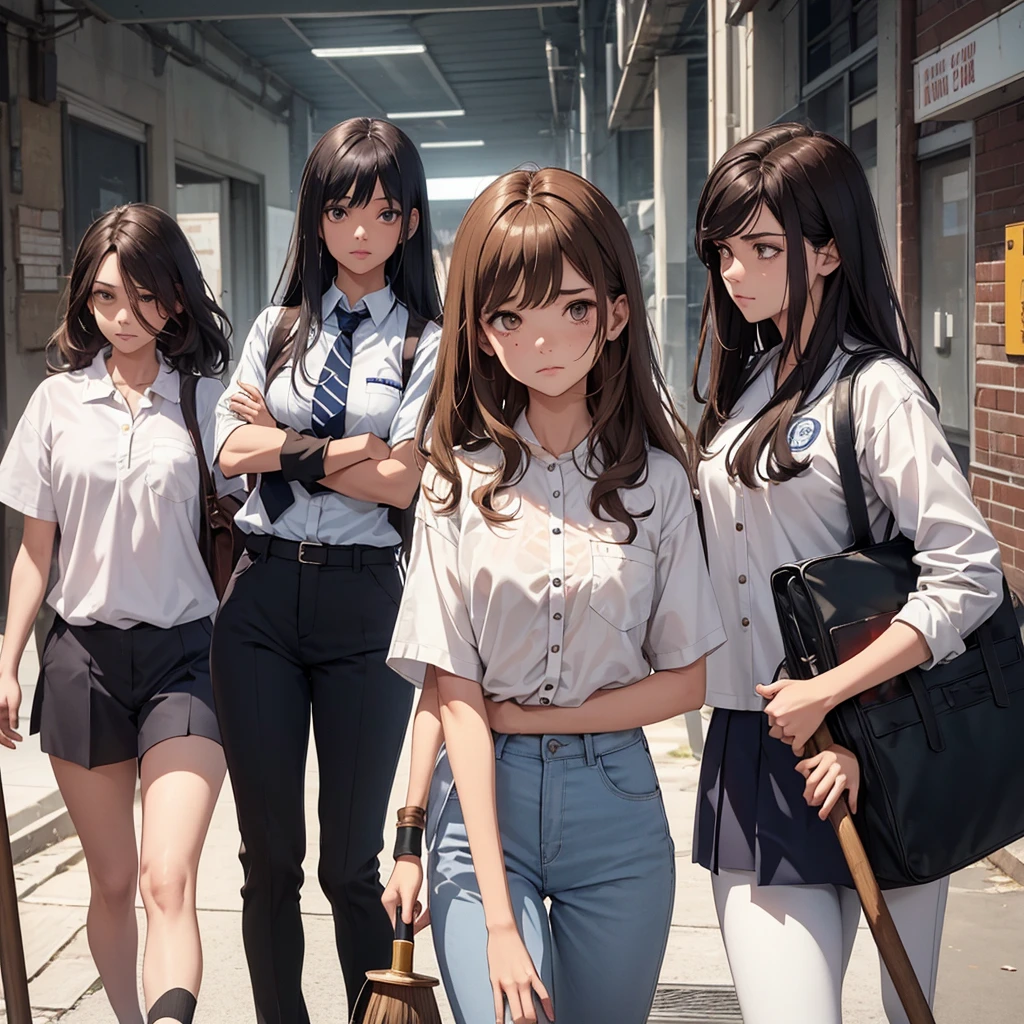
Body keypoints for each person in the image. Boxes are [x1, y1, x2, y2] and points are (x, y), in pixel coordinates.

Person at [382, 167, 726, 1024]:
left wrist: (537, 719)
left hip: (617, 810)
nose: (543, 341)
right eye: (510, 317)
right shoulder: (454, 482)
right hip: (482, 815)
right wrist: (495, 916)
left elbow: (687, 681)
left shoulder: (658, 484)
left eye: (571, 307)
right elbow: (455, 693)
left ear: (614, 314)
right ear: (483, 333)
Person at [690, 123, 1004, 1024]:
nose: (735, 272)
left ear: (827, 252)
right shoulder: (747, 386)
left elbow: (969, 574)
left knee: (908, 1009)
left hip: (884, 740)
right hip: (758, 745)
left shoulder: (877, 391)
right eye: (724, 250)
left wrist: (830, 690)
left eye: (761, 248)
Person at [209, 117, 441, 1024]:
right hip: (259, 601)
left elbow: (403, 479)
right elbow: (230, 449)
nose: (359, 232)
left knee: (350, 865)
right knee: (269, 863)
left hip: (362, 610)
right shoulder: (274, 328)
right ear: (314, 216)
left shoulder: (426, 339)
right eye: (341, 209)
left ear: (409, 225)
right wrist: (344, 446)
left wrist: (287, 445)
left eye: (381, 214)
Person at [0, 204, 239, 1024]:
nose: (124, 317)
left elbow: (254, 520)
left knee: (165, 875)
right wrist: (6, 659)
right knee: (109, 881)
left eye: (142, 298)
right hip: (81, 661)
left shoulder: (209, 403)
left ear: (175, 298)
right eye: (105, 298)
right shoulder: (56, 405)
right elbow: (38, 550)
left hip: (187, 658)